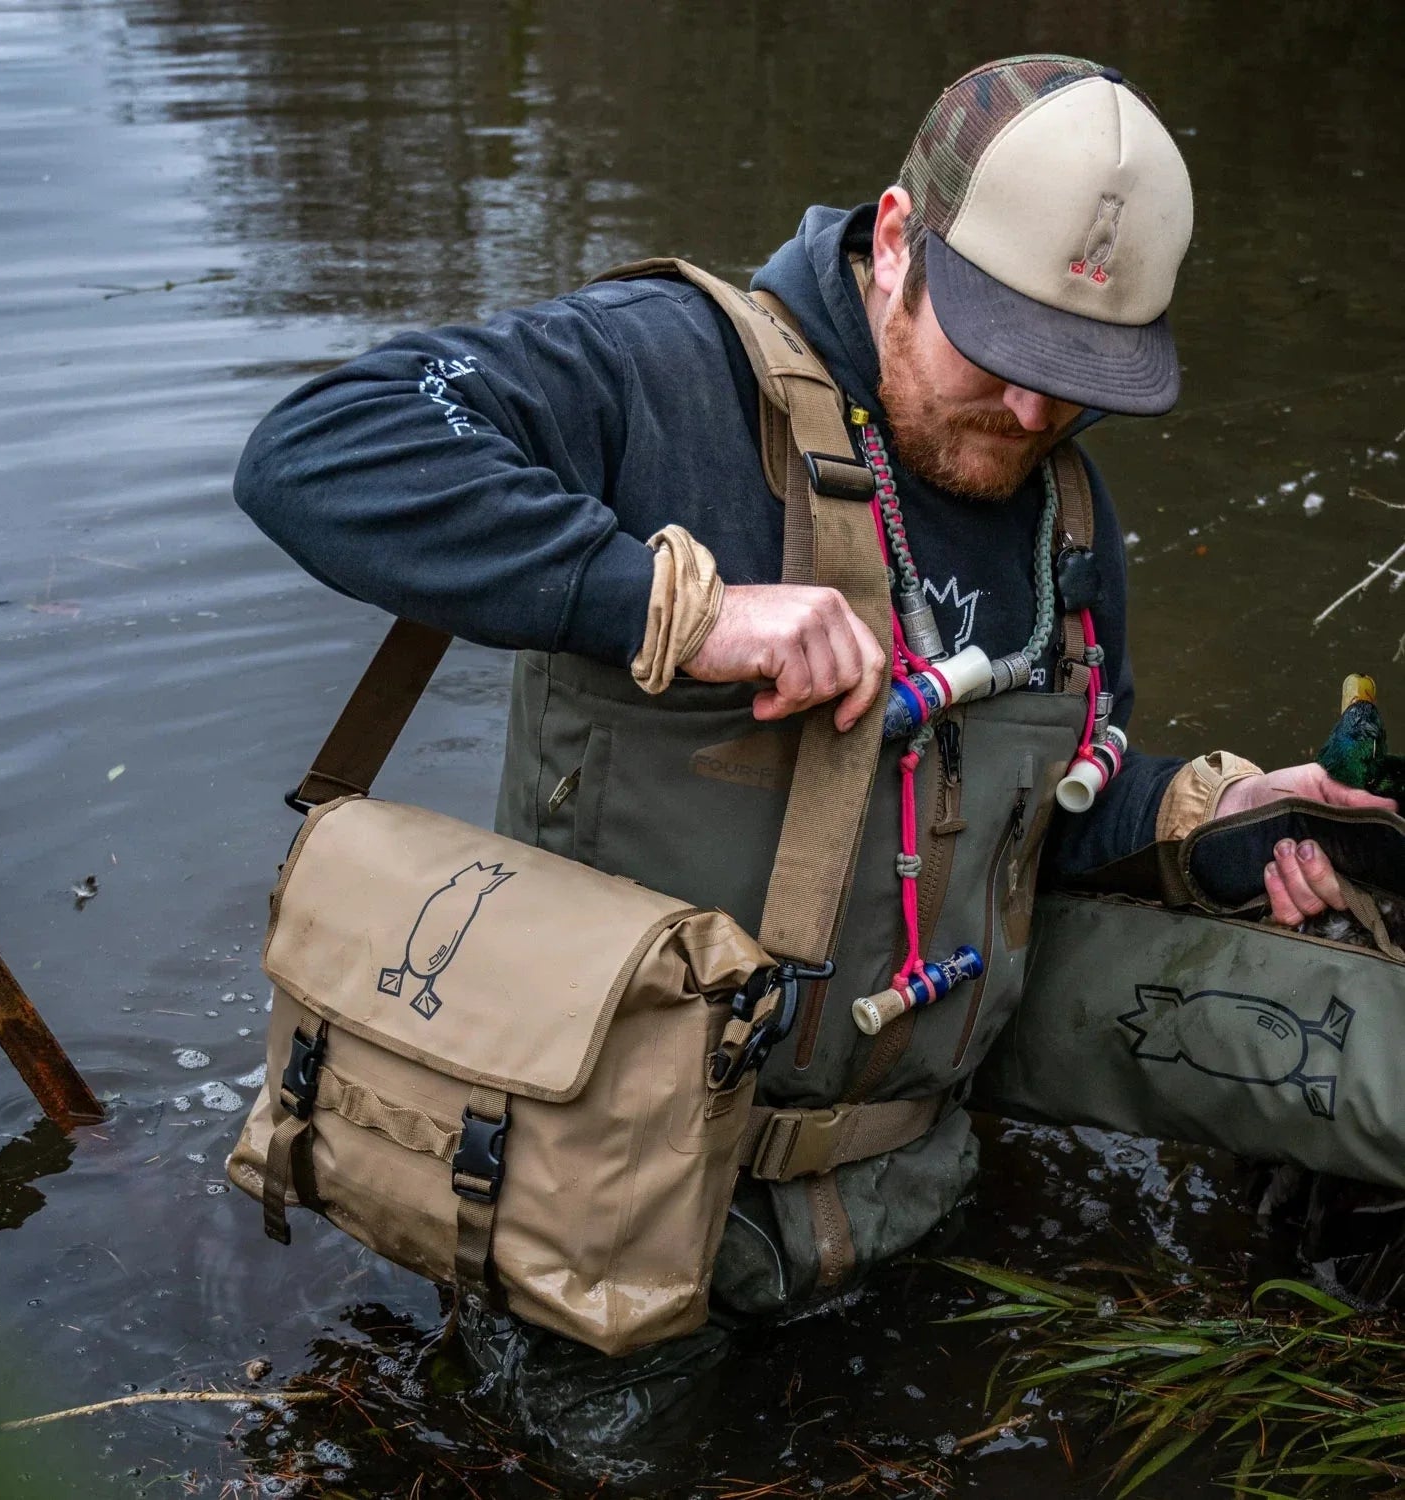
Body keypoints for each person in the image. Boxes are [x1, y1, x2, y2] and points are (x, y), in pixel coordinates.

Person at [233, 53, 1396, 1393]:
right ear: (900, 240)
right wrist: (680, 609)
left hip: (912, 1215)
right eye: (1006, 352)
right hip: (600, 1238)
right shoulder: (663, 375)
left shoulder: (1066, 516)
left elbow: (1040, 818)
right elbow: (319, 448)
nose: (1031, 414)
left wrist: (1198, 817)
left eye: (1080, 377)